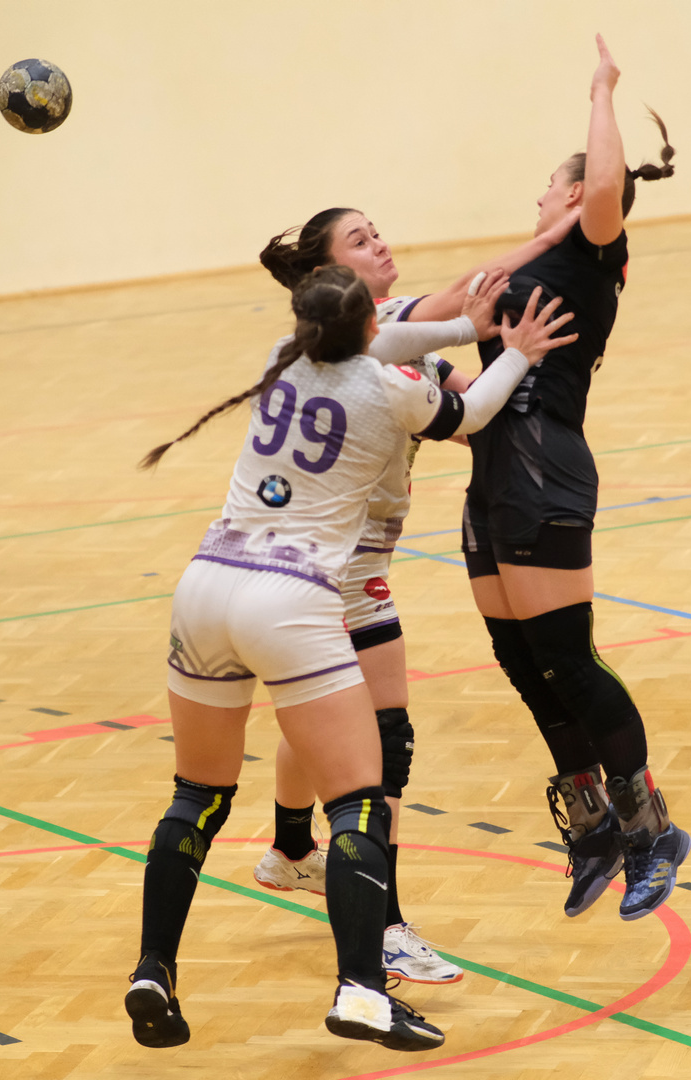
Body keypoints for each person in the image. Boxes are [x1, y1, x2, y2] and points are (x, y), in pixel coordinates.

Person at [126, 264, 574, 1051]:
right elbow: (473, 412)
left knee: (195, 795)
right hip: (290, 599)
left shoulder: (281, 357)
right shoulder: (393, 390)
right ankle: (363, 990)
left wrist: (464, 326)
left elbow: (372, 341)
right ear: (371, 324)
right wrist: (518, 350)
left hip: (205, 584)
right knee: (359, 802)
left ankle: (152, 968)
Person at [248, 206, 582, 985]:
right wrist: (553, 240)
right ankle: (385, 927)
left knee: (324, 712)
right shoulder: (382, 332)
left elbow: (463, 406)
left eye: (377, 233)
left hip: (293, 569)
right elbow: (467, 324)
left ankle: (291, 847)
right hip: (344, 575)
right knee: (383, 743)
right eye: (360, 241)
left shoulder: (353, 342)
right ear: (331, 273)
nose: (380, 244)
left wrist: (532, 389)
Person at [456, 35, 686, 922]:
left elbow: (601, 185)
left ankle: (652, 830)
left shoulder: (591, 249)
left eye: (554, 187)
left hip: (543, 466)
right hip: (491, 472)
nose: (543, 197)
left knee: (569, 659)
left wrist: (601, 89)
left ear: (586, 194)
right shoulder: (531, 260)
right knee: (524, 661)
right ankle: (592, 826)